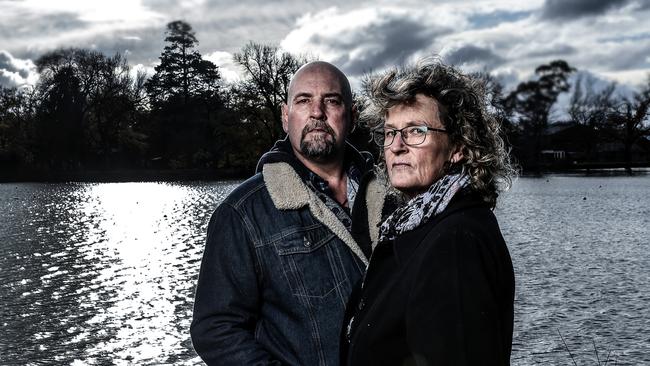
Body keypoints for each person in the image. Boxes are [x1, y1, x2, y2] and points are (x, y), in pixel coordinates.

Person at [191, 61, 386, 366]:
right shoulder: (242, 213)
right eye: (304, 100)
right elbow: (215, 328)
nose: (317, 112)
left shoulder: (392, 194)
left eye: (331, 101)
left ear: (352, 115)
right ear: (285, 116)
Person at [342, 59, 516, 366]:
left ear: (458, 147)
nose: (396, 146)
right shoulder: (417, 225)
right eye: (390, 132)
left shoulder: (455, 242)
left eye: (416, 131)